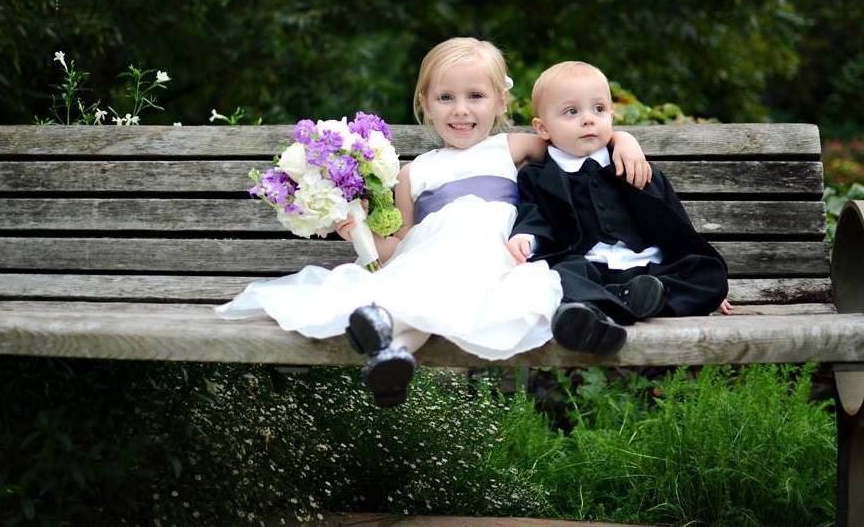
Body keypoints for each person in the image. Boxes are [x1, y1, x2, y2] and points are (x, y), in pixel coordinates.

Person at [218, 39, 650, 407]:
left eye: (475, 97)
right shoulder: (414, 171)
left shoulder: (512, 147)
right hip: (430, 253)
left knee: (448, 281)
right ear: (425, 102)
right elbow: (396, 247)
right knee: (426, 282)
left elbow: (577, 135)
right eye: (446, 98)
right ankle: (394, 354)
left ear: (501, 100)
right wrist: (359, 232)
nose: (461, 111)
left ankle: (388, 334)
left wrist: (624, 139)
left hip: (492, 252)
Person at [507, 61, 731, 357]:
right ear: (543, 128)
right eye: (571, 112)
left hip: (649, 273)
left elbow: (674, 225)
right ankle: (615, 304)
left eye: (598, 109)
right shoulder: (537, 177)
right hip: (587, 269)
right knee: (556, 277)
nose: (588, 120)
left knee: (708, 273)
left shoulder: (633, 166)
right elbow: (533, 216)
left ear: (611, 116)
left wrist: (705, 283)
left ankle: (613, 305)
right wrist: (527, 237)